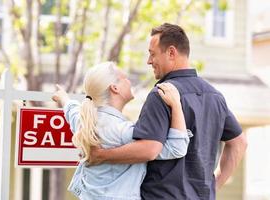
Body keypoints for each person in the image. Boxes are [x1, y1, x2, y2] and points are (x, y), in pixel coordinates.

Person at [89, 23, 248, 200]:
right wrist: (212, 187)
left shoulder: (162, 94)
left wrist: (102, 155)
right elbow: (239, 143)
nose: (149, 61)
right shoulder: (215, 96)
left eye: (152, 54)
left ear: (171, 52)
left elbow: (149, 150)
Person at [52, 62, 192, 200]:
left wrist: (63, 97)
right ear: (115, 88)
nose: (129, 81)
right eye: (125, 78)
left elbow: (72, 110)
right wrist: (176, 104)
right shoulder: (123, 132)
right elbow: (176, 147)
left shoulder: (85, 122)